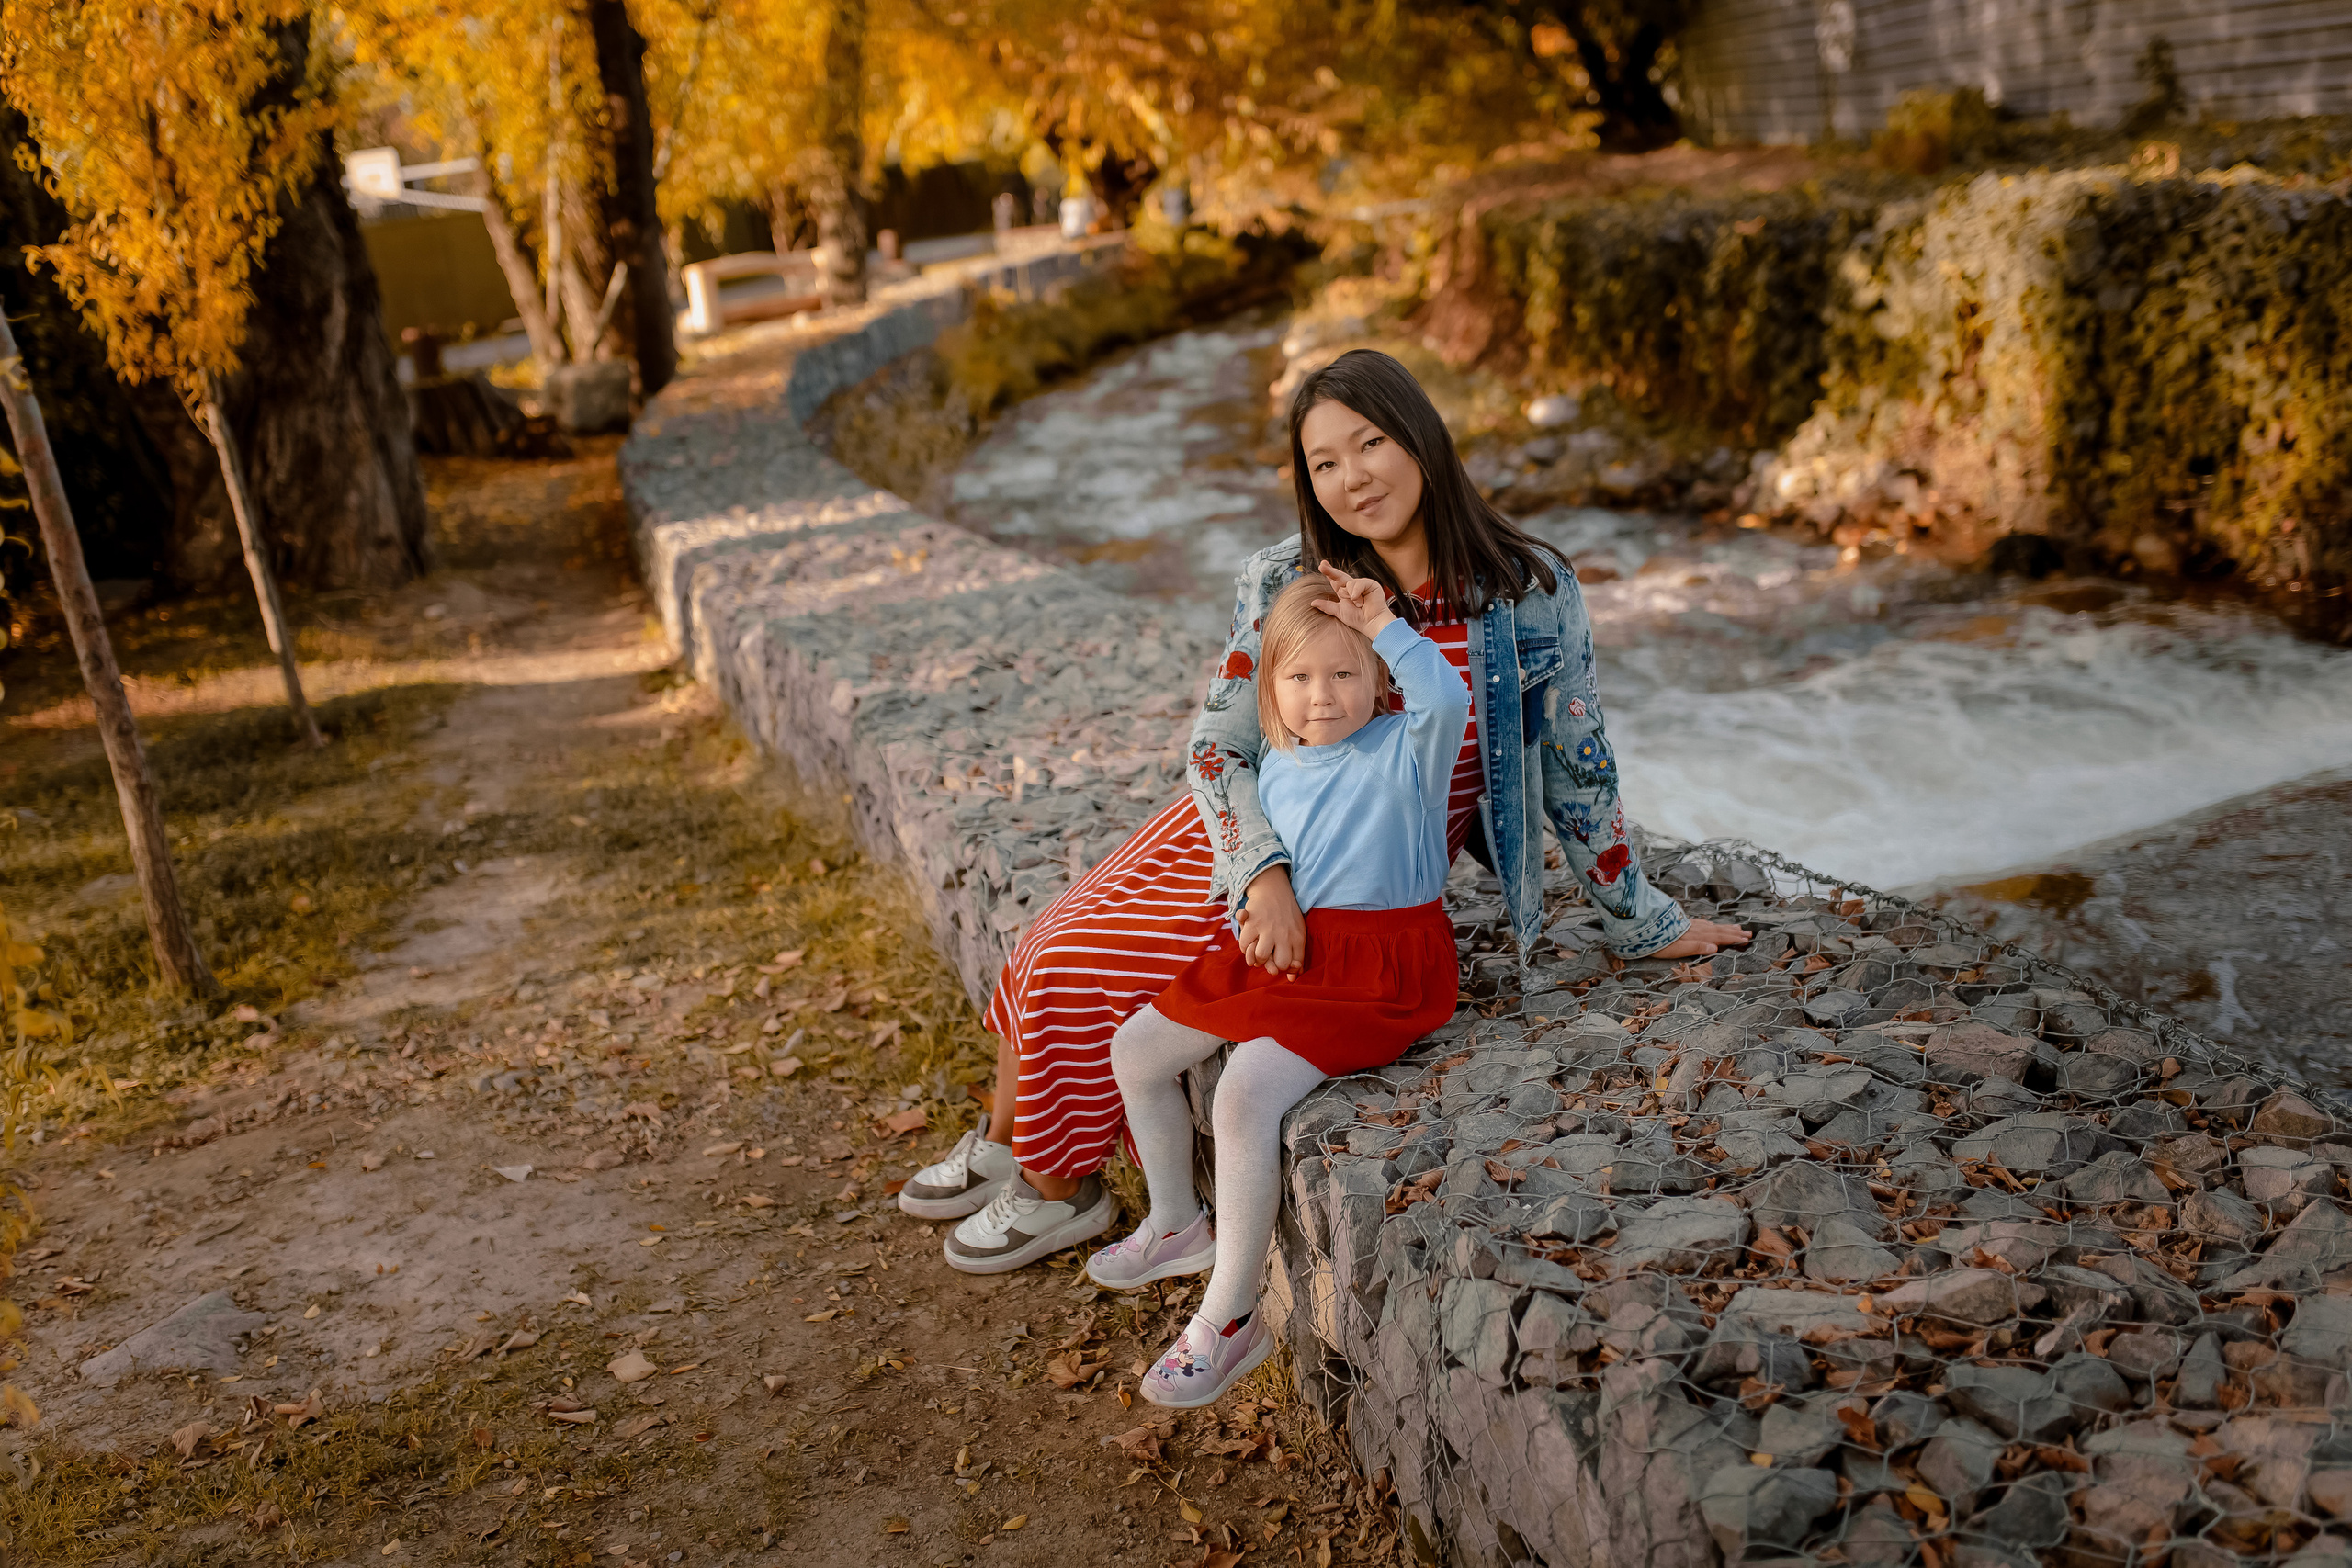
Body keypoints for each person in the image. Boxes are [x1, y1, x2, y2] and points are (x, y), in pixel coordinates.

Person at [899, 348, 1750, 1273]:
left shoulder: (1529, 591)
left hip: (1356, 862)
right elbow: (1218, 748)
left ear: (1421, 437)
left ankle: (1055, 1186)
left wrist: (1638, 918)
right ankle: (1008, 1142)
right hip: (1248, 828)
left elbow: (1578, 763)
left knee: (1079, 963)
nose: (1353, 478)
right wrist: (1259, 871)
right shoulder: (1285, 577)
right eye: (1324, 463)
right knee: (1048, 941)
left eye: (1370, 443)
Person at [1088, 564, 1470, 1405]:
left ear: (1378, 678)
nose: (1322, 695)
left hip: (1376, 968)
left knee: (1243, 1095)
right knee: (1136, 1049)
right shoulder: (1277, 764)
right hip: (1295, 956)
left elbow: (1446, 695)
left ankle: (1231, 1316)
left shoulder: (1405, 750)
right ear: (1270, 688)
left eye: (1344, 673)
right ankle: (1176, 1221)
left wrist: (1384, 625)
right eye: (1298, 676)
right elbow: (1255, 864)